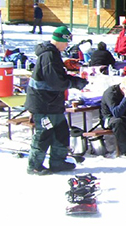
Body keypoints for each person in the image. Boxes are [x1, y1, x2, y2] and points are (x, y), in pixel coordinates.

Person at [25, 26, 89, 175]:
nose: (67, 45)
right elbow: (55, 82)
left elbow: (55, 76)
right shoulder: (49, 55)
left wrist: (71, 76)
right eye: (66, 42)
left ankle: (58, 161)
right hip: (43, 103)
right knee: (44, 134)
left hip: (52, 103)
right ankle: (34, 165)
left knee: (61, 131)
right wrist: (73, 82)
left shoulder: (54, 54)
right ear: (60, 40)